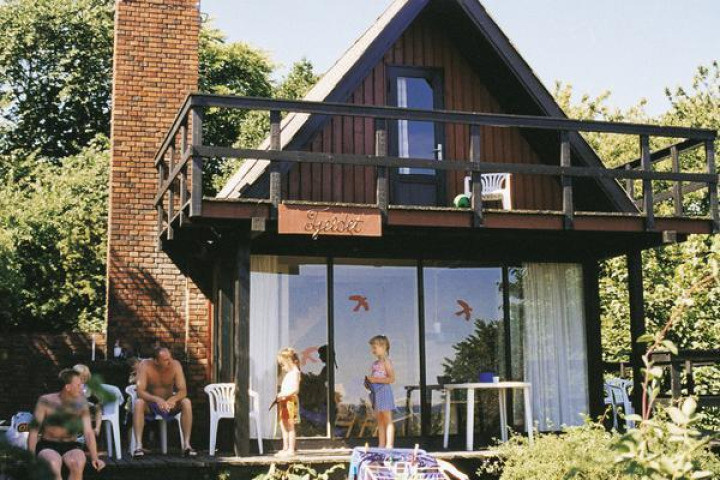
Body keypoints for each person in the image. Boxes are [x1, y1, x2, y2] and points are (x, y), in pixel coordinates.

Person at [28, 368, 105, 480]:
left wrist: (95, 457)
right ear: (68, 387)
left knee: (77, 463)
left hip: (71, 445)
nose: (82, 388)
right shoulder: (45, 401)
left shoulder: (81, 403)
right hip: (48, 445)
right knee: (53, 463)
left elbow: (88, 432)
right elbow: (34, 431)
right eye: (78, 385)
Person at [132, 347, 196, 457]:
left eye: (170, 358)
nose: (169, 361)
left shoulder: (175, 365)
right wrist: (157, 399)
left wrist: (173, 399)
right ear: (156, 361)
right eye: (166, 360)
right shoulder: (145, 365)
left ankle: (187, 445)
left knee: (186, 402)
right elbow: (140, 391)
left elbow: (183, 391)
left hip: (169, 404)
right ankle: (138, 446)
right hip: (151, 404)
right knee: (138, 403)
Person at [364, 335, 396, 448]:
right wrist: (368, 382)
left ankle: (389, 444)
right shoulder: (375, 364)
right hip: (376, 393)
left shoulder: (386, 362)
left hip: (384, 392)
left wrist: (375, 380)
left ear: (383, 347)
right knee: (380, 419)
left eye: (375, 347)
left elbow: (391, 379)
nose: (373, 350)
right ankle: (381, 444)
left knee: (387, 418)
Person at [275, 348, 301, 457]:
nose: (282, 368)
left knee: (290, 426)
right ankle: (285, 448)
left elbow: (295, 389)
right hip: (284, 401)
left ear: (289, 360)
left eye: (283, 365)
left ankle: (291, 449)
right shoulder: (289, 373)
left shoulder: (295, 373)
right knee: (283, 424)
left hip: (290, 401)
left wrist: (284, 394)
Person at [72, 364, 102, 437]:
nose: (83, 380)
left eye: (85, 377)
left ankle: (97, 428)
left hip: (90, 407)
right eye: (81, 377)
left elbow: (97, 400)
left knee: (97, 408)